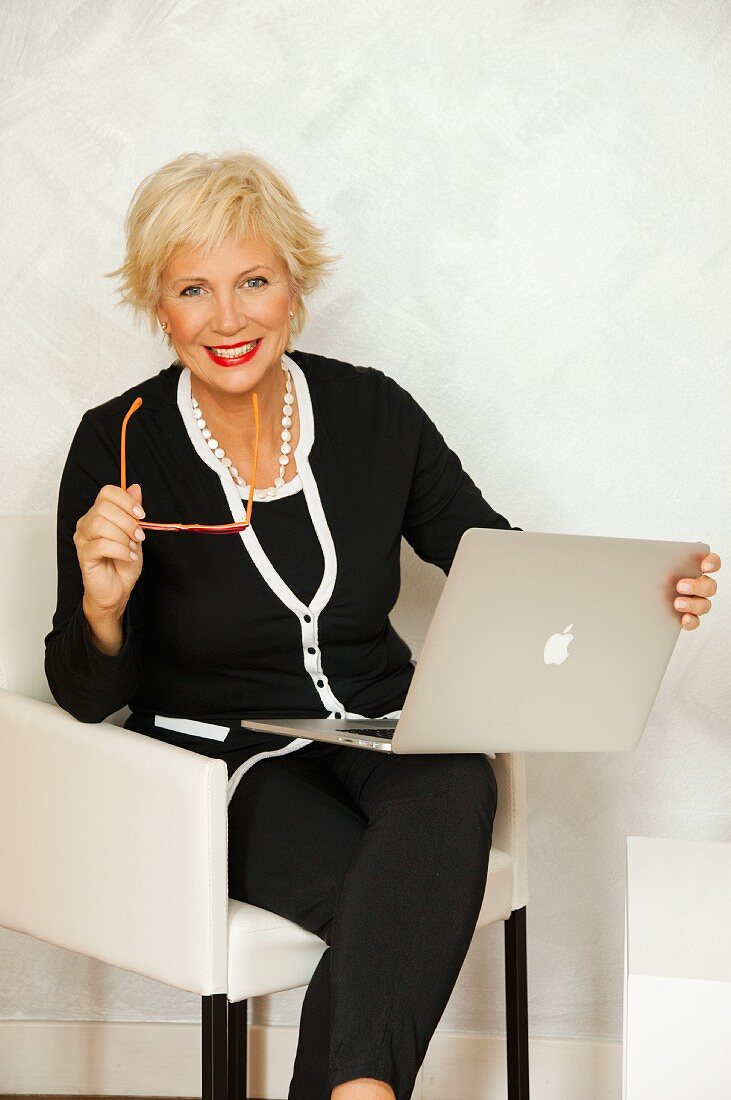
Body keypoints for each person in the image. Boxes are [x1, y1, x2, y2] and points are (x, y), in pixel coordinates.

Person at [44, 151, 721, 1100]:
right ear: (160, 307)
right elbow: (81, 696)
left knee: (450, 786)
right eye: (195, 289)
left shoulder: (370, 410)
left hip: (380, 727)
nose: (229, 318)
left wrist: (639, 597)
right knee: (394, 904)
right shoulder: (117, 442)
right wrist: (102, 605)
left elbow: (496, 563)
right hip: (222, 763)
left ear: (295, 287)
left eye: (254, 281)